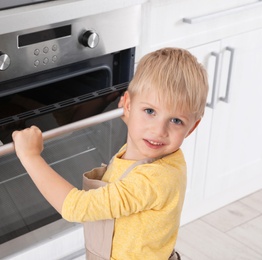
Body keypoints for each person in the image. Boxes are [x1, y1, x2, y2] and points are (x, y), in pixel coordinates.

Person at [12, 47, 209, 260]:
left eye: (176, 120)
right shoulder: (149, 150)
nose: (158, 131)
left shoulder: (154, 179)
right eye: (150, 111)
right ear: (127, 105)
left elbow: (76, 208)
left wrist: (30, 156)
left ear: (192, 127)